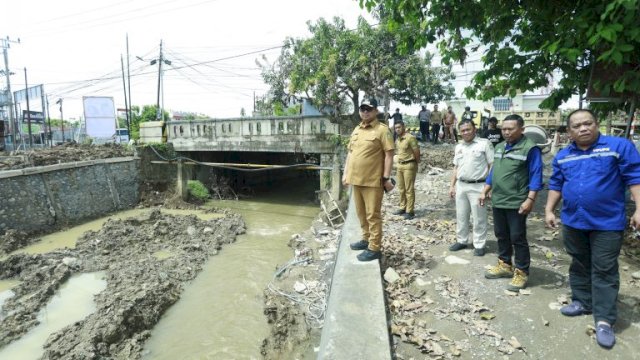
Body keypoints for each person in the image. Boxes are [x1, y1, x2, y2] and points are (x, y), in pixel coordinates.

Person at [544, 109, 640, 349]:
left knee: (604, 269)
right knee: (579, 262)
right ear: (569, 132)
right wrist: (548, 210)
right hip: (574, 221)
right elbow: (556, 183)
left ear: (597, 125)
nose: (583, 128)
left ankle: (605, 319)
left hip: (606, 223)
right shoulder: (564, 155)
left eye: (588, 123)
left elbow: (634, 177)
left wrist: (639, 208)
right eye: (576, 126)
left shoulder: (618, 147)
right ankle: (582, 301)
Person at [479, 114, 543, 291]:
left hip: (517, 202)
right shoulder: (499, 146)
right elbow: (494, 172)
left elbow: (536, 176)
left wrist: (530, 199)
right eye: (504, 129)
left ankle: (521, 272)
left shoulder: (530, 149)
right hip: (499, 200)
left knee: (517, 237)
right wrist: (485, 190)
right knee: (501, 234)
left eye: (510, 129)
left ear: (521, 129)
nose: (506, 132)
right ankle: (505, 265)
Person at [342, 98, 395, 262]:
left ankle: (374, 247)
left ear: (376, 111)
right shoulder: (357, 129)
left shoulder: (382, 130)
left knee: (373, 215)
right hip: (356, 180)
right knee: (361, 213)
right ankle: (365, 239)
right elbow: (350, 154)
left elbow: (389, 155)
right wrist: (345, 174)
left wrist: (386, 177)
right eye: (363, 109)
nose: (365, 112)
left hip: (373, 181)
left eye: (369, 109)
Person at [449, 119, 494, 256]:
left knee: (478, 217)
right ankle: (462, 240)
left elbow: (492, 165)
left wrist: (489, 187)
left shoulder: (484, 144)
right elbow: (456, 168)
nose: (466, 132)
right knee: (461, 215)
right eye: (462, 130)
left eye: (468, 129)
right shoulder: (459, 147)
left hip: (478, 186)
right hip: (461, 185)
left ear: (474, 129)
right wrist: (452, 186)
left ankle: (479, 244)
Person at [392, 120, 420, 220]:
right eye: (396, 128)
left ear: (403, 127)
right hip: (400, 166)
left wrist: (416, 163)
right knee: (401, 188)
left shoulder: (410, 138)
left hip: (409, 165)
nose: (397, 129)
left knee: (409, 189)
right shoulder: (397, 139)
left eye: (399, 127)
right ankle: (402, 207)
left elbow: (416, 151)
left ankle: (410, 211)